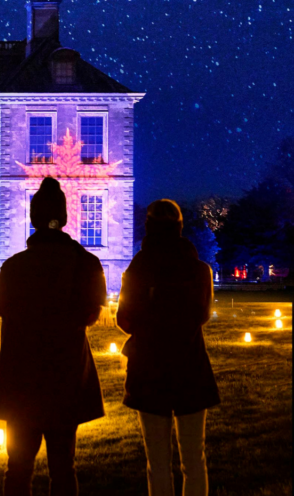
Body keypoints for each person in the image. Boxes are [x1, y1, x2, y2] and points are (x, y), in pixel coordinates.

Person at [0, 177, 107, 496]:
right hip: (65, 379)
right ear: (63, 219)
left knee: (19, 468)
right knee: (64, 468)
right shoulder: (86, 264)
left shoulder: (15, 266)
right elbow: (92, 313)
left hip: (22, 381)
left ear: (34, 220)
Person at [117, 199, 220, 496]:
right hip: (190, 365)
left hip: (148, 368)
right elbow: (201, 315)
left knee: (158, 462)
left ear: (149, 226)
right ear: (179, 227)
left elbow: (124, 319)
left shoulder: (138, 268)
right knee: (194, 458)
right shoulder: (199, 269)